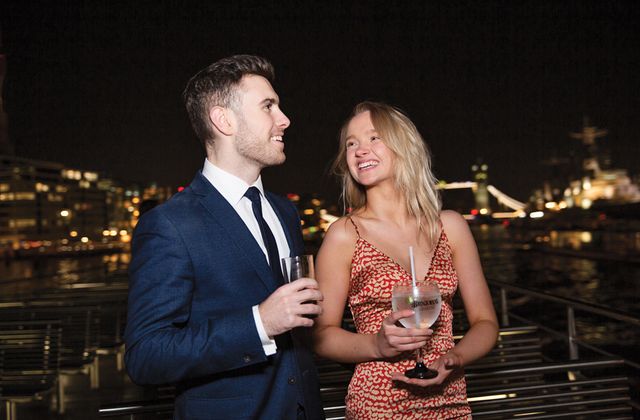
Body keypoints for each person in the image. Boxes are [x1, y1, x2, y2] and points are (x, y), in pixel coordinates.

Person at [124, 55, 325, 420]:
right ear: (224, 120)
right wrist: (259, 323)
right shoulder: (169, 225)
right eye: (269, 106)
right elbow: (146, 356)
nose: (285, 119)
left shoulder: (285, 213)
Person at [313, 101, 498, 419]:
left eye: (374, 138)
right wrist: (377, 345)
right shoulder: (345, 234)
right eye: (351, 144)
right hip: (379, 404)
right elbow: (320, 335)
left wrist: (454, 358)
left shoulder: (449, 226)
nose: (360, 150)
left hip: (450, 400)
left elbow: (486, 323)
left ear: (404, 146)